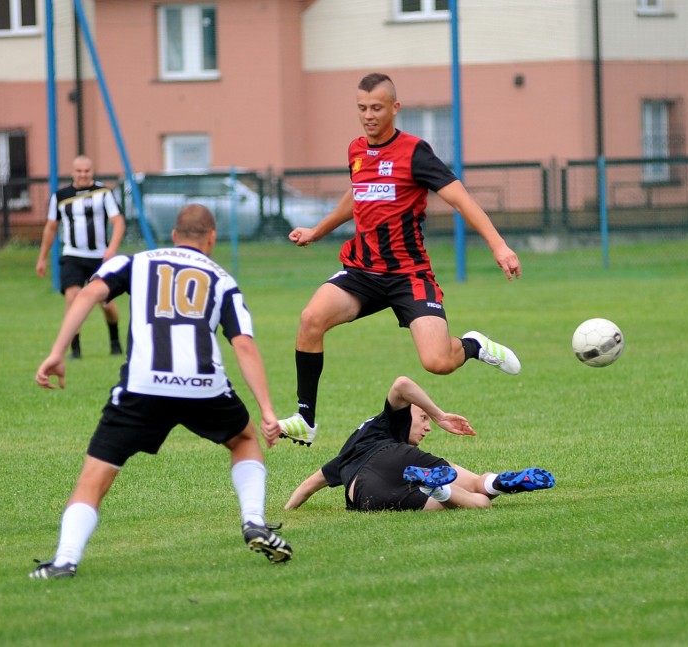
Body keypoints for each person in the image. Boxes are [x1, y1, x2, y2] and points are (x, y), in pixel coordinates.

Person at [30, 204, 292, 579]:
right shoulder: (221, 278)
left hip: (143, 385)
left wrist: (58, 353)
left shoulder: (134, 262)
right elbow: (244, 344)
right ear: (211, 239)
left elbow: (88, 295)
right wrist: (267, 409)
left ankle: (65, 560)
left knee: (95, 477)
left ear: (173, 235)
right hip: (204, 385)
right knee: (245, 438)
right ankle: (254, 521)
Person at [278, 73, 523, 447]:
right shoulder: (356, 150)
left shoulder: (415, 152)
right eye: (362, 108)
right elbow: (356, 195)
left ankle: (473, 345)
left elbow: (461, 200)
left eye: (376, 107)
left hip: (408, 275)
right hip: (362, 271)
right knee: (311, 319)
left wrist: (499, 246)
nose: (368, 115)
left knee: (437, 362)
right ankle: (306, 419)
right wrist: (317, 230)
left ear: (395, 108)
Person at [285, 375, 554, 512]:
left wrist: (288, 512)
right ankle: (491, 483)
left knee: (479, 504)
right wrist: (438, 414)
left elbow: (309, 486)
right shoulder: (390, 420)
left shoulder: (346, 454)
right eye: (422, 418)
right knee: (478, 494)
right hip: (395, 456)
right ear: (405, 411)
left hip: (367, 491)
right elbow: (402, 383)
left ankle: (436, 488)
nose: (427, 426)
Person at [36, 155, 126, 358]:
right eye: (79, 171)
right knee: (72, 297)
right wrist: (42, 257)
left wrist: (112, 248)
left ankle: (114, 340)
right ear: (72, 172)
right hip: (73, 256)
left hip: (99, 258)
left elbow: (118, 222)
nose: (83, 174)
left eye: (87, 171)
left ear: (92, 171)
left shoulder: (103, 193)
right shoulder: (60, 197)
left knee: (106, 304)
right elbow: (51, 228)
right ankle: (75, 349)